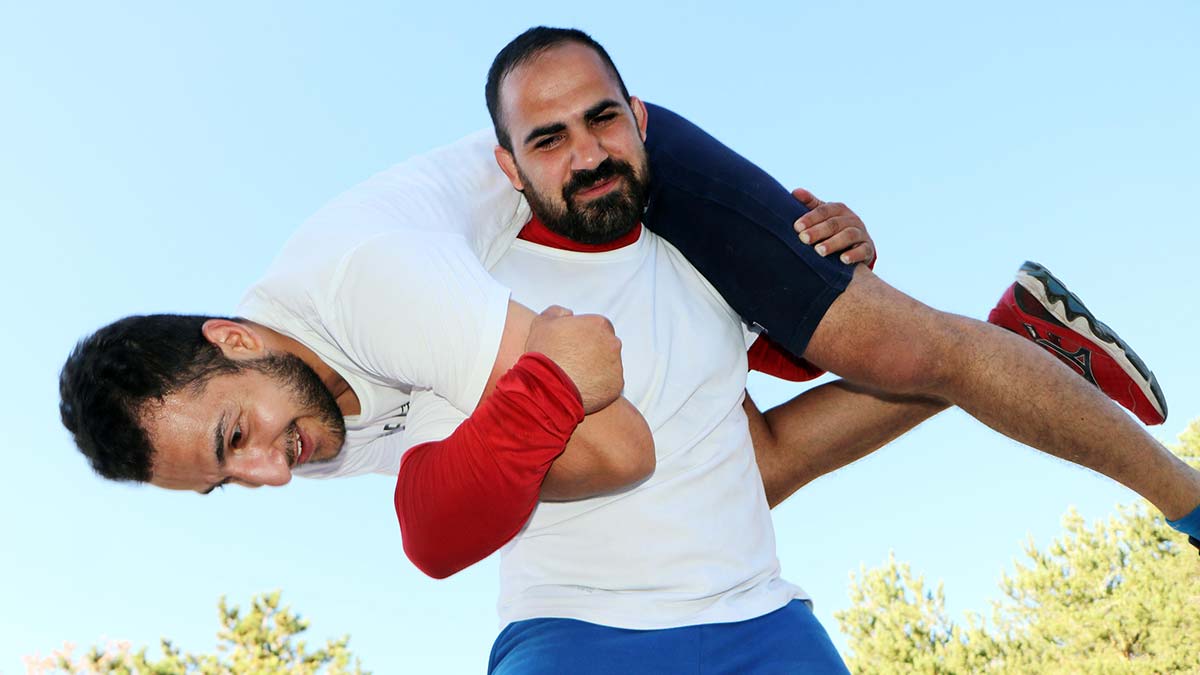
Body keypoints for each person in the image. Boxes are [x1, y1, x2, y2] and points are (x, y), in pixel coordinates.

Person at [58, 25, 1196, 672]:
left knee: (906, 348)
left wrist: (778, 283)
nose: (268, 470)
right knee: (746, 468)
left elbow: (615, 437)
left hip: (595, 142)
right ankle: (1027, 340)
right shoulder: (300, 407)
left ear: (238, 336)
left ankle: (1183, 499)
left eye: (235, 436)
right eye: (228, 479)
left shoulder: (377, 283)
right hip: (541, 180)